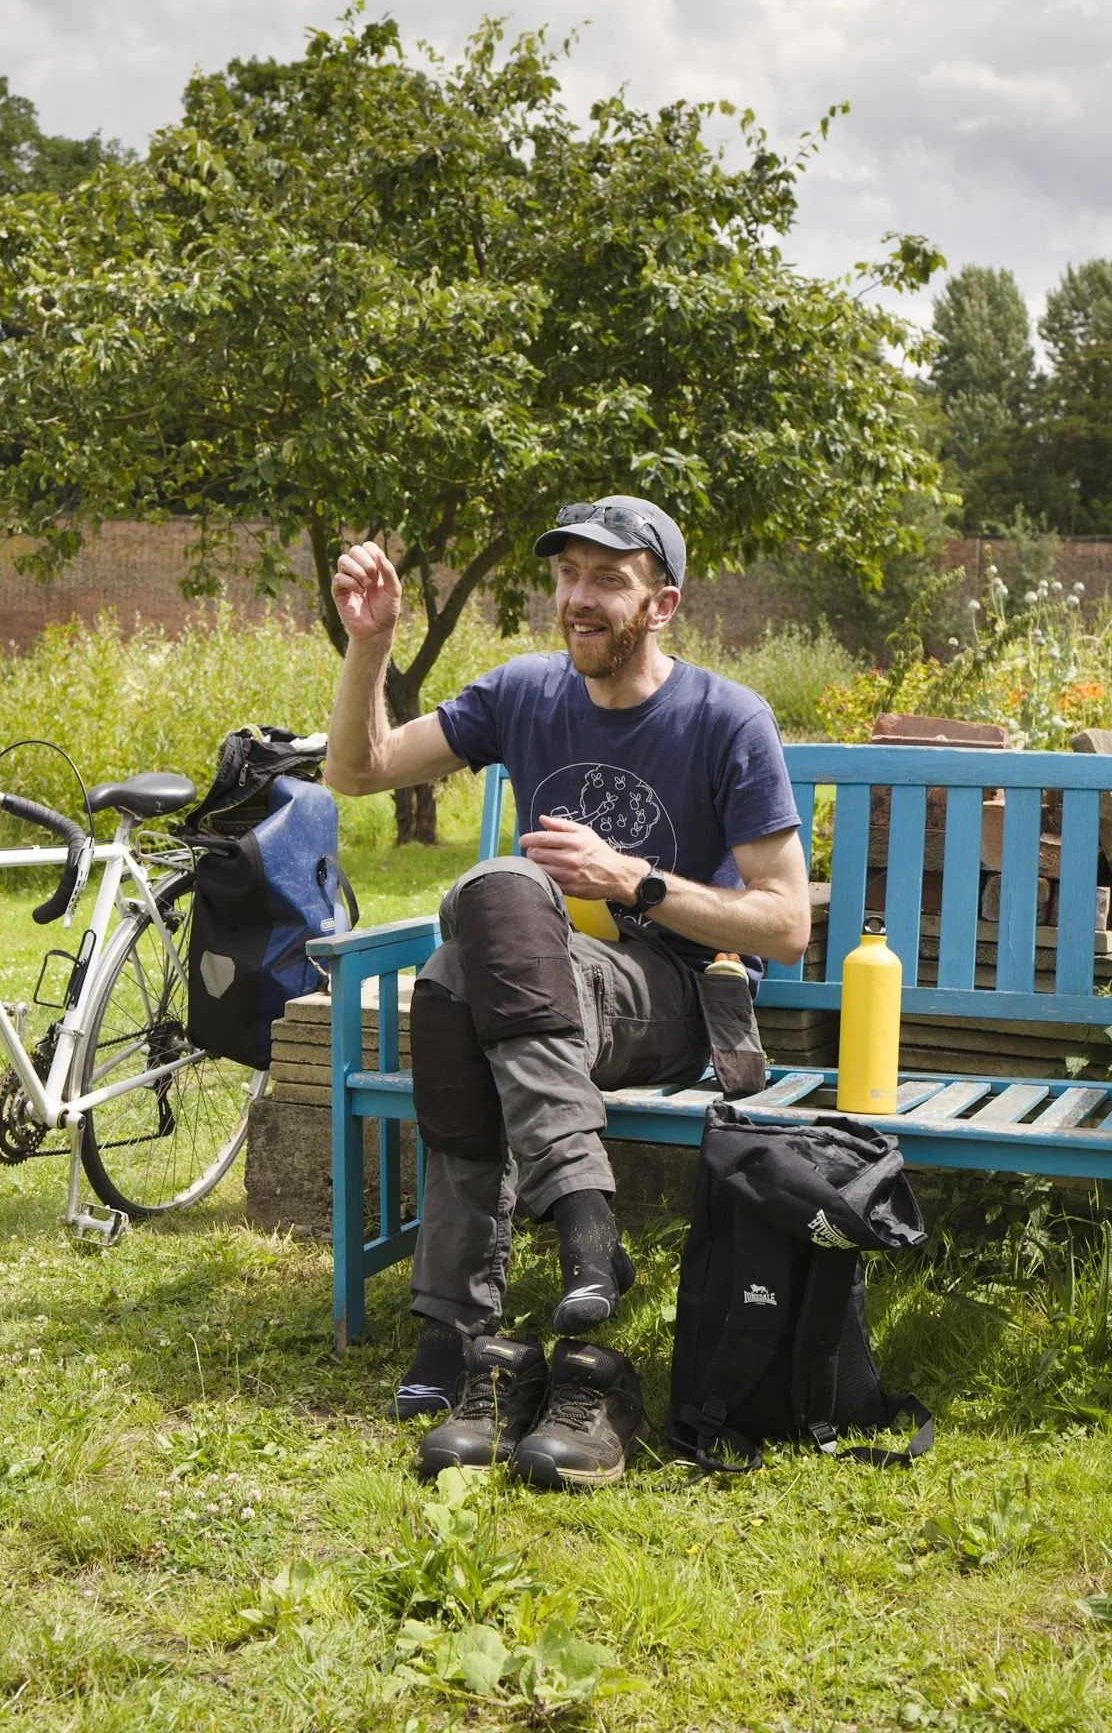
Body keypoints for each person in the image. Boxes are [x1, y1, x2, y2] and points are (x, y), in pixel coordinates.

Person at [324, 494, 810, 1488]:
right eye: (567, 574)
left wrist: (634, 879)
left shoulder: (728, 719)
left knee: (481, 923)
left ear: (661, 601)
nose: (576, 598)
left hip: (674, 991)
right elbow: (359, 769)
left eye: (606, 579)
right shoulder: (524, 692)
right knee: (470, 952)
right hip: (540, 995)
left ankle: (453, 1336)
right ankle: (584, 1239)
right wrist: (368, 645)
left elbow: (786, 923)